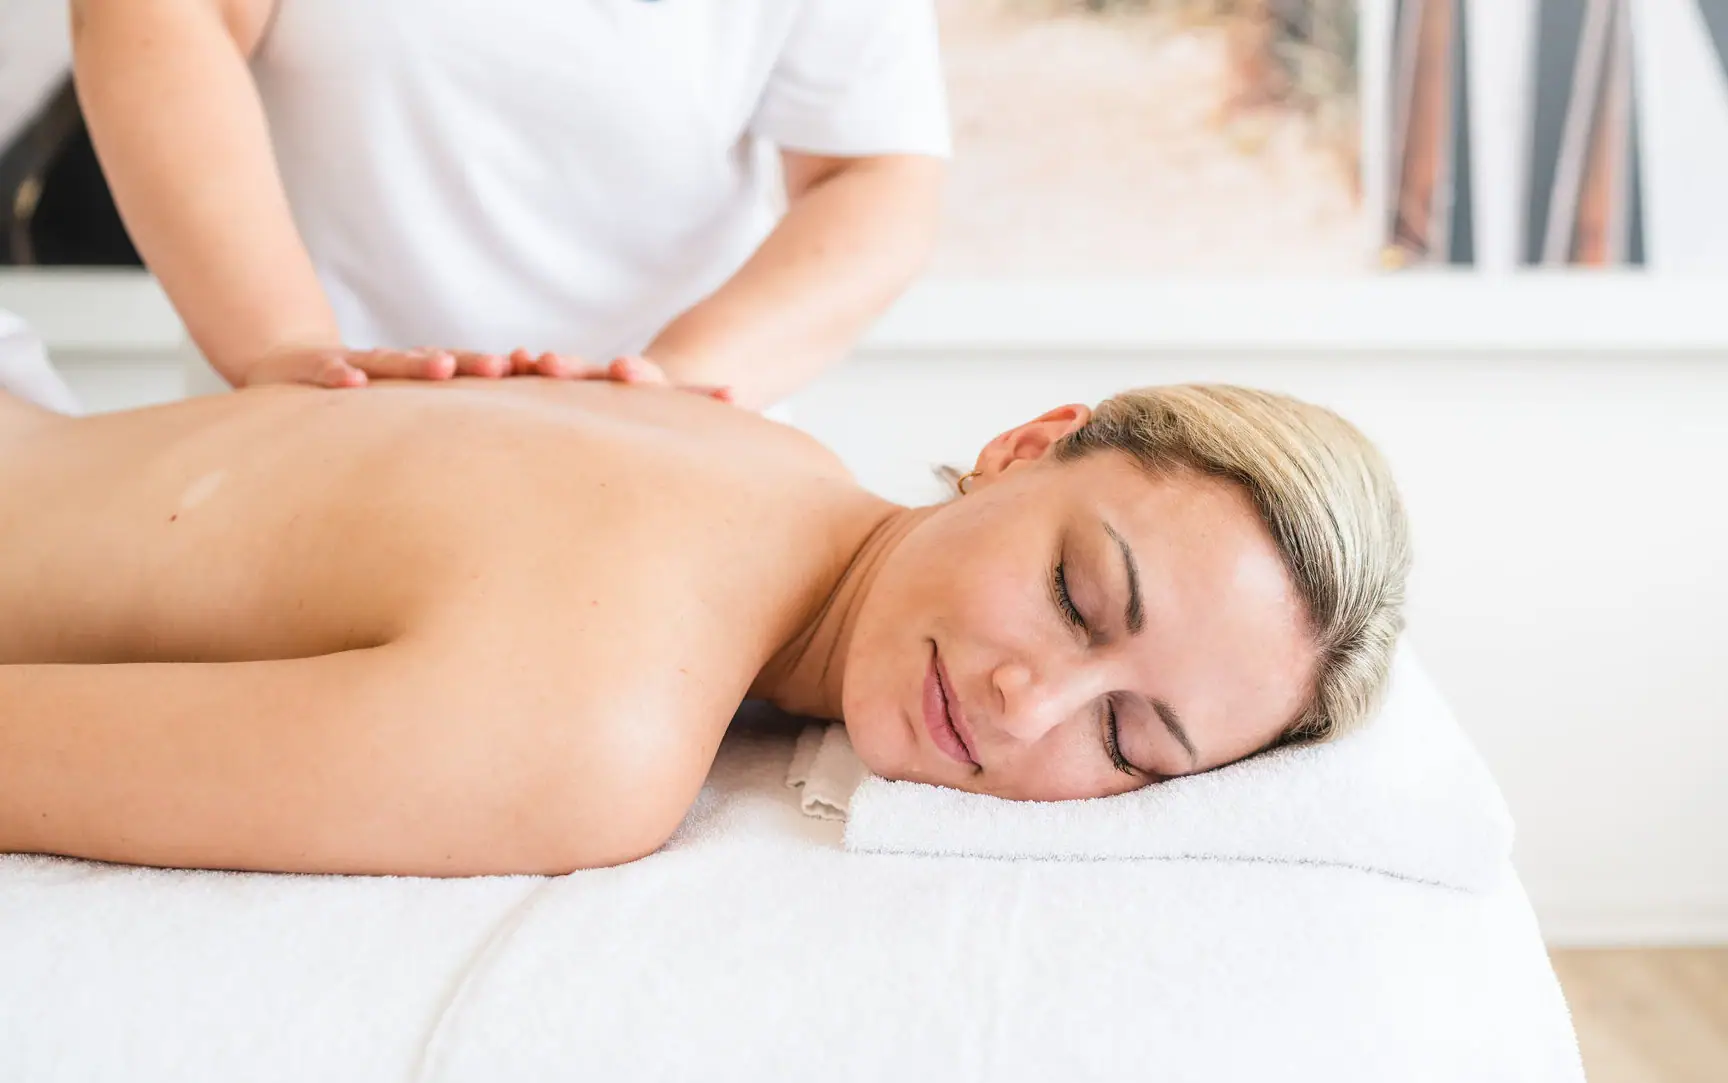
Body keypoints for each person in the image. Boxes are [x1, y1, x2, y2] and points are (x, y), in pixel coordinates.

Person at [0, 375, 1410, 877]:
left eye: (1127, 741)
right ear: (1026, 446)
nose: (1024, 704)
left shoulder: (743, 435)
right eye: (1076, 597)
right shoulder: (598, 740)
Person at [70, 0, 949, 406]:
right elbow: (152, 17)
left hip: (661, 470)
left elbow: (873, 173)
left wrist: (673, 385)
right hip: (304, 449)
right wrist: (286, 349)